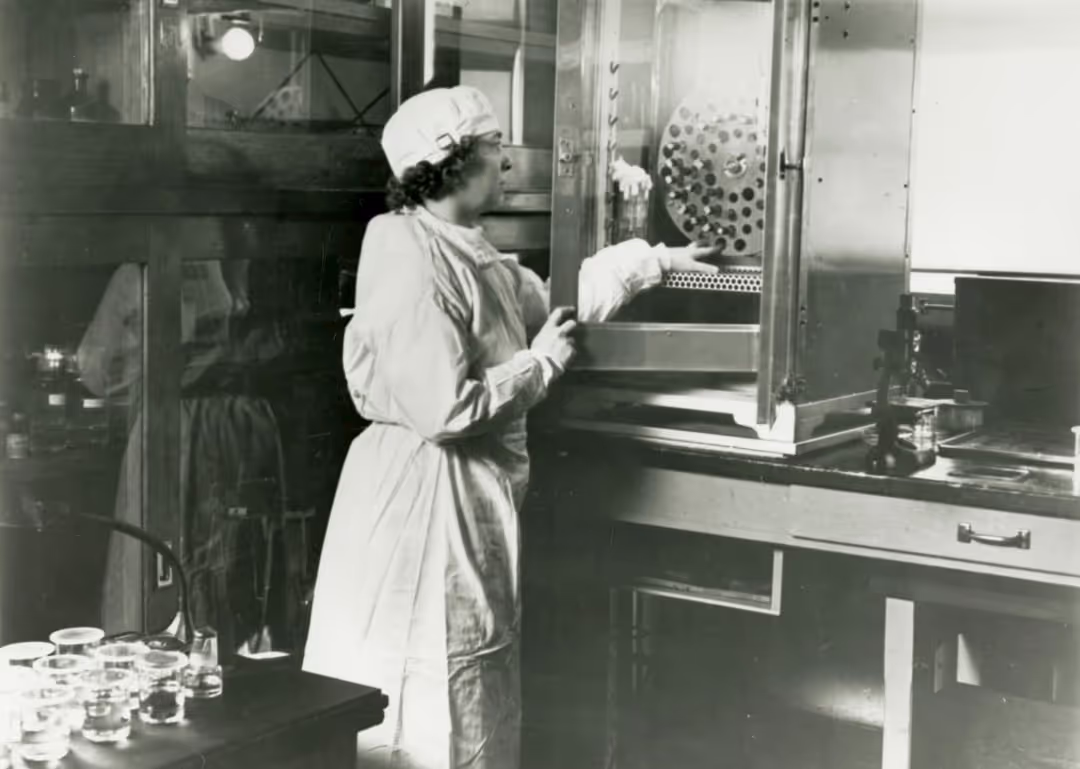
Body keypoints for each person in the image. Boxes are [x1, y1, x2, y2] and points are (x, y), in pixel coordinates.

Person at [301, 85, 719, 769]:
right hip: (421, 499)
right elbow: (443, 408)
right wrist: (538, 365)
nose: (506, 163)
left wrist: (658, 260)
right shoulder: (407, 253)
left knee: (463, 680)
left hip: (464, 496)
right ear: (452, 163)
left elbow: (555, 308)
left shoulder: (468, 249)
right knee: (417, 688)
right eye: (495, 148)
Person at [78, 234, 289, 655]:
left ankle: (218, 662)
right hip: (208, 426)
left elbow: (94, 369)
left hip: (208, 427)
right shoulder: (149, 269)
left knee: (224, 558)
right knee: (183, 559)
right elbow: (96, 368)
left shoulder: (237, 258)